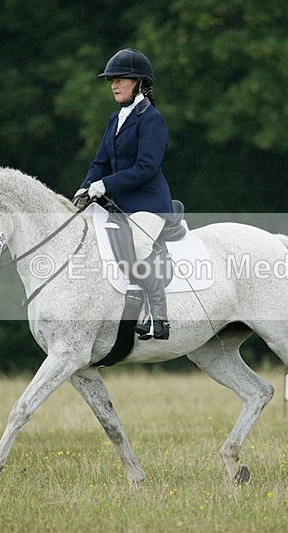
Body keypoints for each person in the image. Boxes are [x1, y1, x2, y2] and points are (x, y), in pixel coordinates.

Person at [74, 48, 173, 340]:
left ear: (140, 83)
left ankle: (159, 318)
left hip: (149, 204)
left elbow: (146, 167)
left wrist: (105, 185)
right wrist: (86, 185)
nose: (114, 85)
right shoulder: (114, 119)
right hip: (119, 203)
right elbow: (100, 162)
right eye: (111, 80)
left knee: (141, 247)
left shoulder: (152, 119)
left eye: (121, 79)